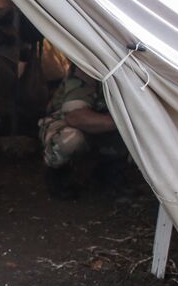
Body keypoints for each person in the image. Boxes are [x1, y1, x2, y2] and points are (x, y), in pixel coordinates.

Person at [38, 66, 121, 197]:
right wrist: (123, 124)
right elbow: (75, 117)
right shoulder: (87, 68)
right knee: (71, 140)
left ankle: (108, 171)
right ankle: (57, 171)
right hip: (66, 122)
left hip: (104, 127)